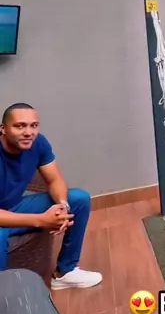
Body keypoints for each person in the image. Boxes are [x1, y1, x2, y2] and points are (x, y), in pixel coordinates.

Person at [0, 102, 102, 289]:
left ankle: (65, 272)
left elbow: (55, 180)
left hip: (15, 206)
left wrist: (63, 206)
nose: (28, 132)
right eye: (20, 126)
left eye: (34, 126)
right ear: (3, 129)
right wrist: (40, 220)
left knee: (79, 199)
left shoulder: (38, 143)